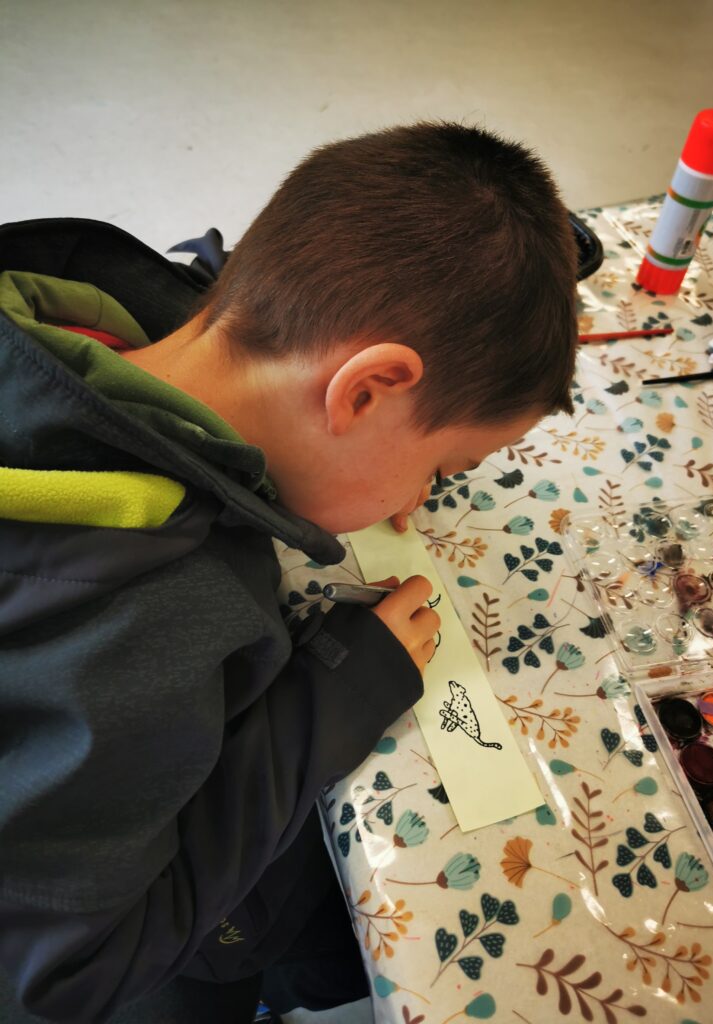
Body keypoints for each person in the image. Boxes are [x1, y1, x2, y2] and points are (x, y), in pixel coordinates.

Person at [0, 121, 577, 1023]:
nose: (423, 494)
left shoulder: (75, 321)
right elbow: (72, 973)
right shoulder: (148, 618)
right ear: (363, 390)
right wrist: (332, 697)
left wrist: (367, 460)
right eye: (440, 468)